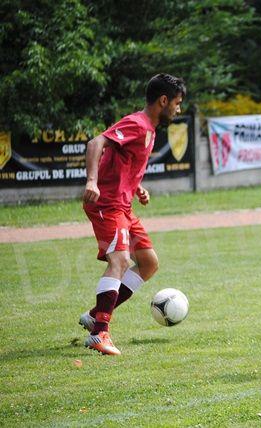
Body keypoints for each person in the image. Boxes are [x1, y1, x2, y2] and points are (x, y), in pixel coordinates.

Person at [79, 74, 186, 355]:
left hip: (124, 206)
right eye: (177, 103)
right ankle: (99, 332)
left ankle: (95, 315)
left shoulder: (150, 129)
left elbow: (123, 160)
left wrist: (137, 187)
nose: (178, 109)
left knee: (148, 263)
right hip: (107, 204)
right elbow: (96, 143)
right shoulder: (138, 123)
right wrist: (92, 181)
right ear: (163, 100)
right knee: (120, 260)